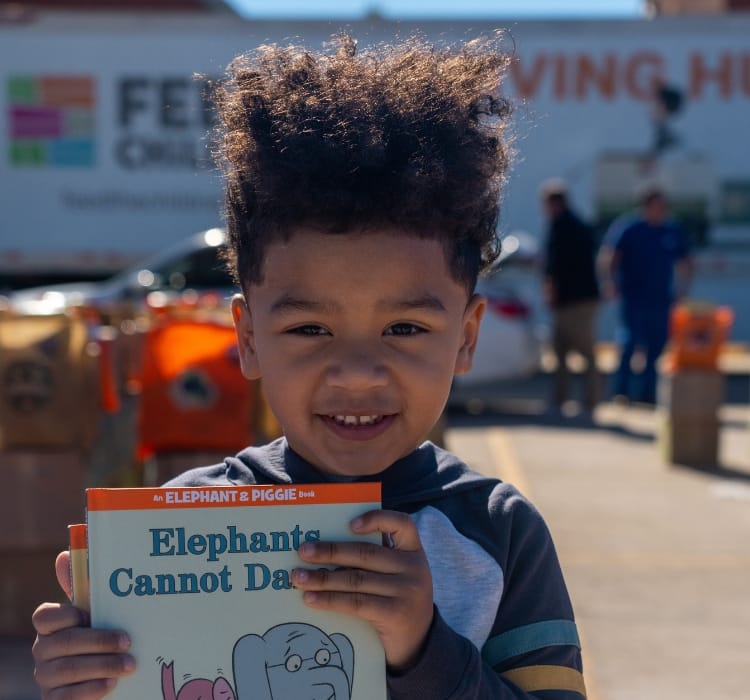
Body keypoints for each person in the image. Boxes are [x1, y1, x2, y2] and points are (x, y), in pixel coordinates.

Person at [31, 35, 586, 699]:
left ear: (465, 336)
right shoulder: (182, 527)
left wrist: (425, 651)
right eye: (309, 328)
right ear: (250, 337)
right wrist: (88, 683)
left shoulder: (499, 533)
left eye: (405, 328)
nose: (356, 372)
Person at [599, 183, 694, 404]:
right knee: (630, 342)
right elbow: (610, 256)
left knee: (657, 345)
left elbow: (687, 262)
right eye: (656, 206)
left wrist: (683, 290)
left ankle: (648, 393)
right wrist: (609, 282)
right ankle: (621, 391)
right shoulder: (629, 228)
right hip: (634, 296)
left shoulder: (671, 230)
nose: (660, 210)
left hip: (661, 298)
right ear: (646, 206)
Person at [540, 178, 601, 415]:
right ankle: (567, 399)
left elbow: (554, 266)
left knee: (581, 352)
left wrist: (550, 291)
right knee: (564, 352)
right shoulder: (580, 224)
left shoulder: (560, 226)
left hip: (573, 301)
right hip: (581, 298)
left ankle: (587, 401)